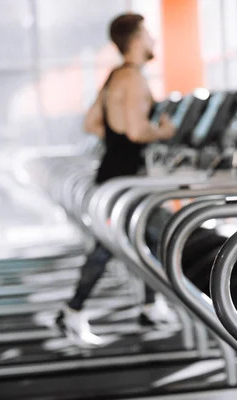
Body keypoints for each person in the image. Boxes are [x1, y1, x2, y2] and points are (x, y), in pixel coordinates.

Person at [56, 13, 177, 347]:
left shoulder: (115, 76)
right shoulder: (135, 78)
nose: (153, 40)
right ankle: (73, 308)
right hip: (125, 177)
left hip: (112, 171)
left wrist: (118, 137)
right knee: (113, 244)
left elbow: (92, 123)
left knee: (149, 237)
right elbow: (138, 131)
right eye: (149, 34)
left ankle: (152, 305)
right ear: (137, 39)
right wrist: (165, 131)